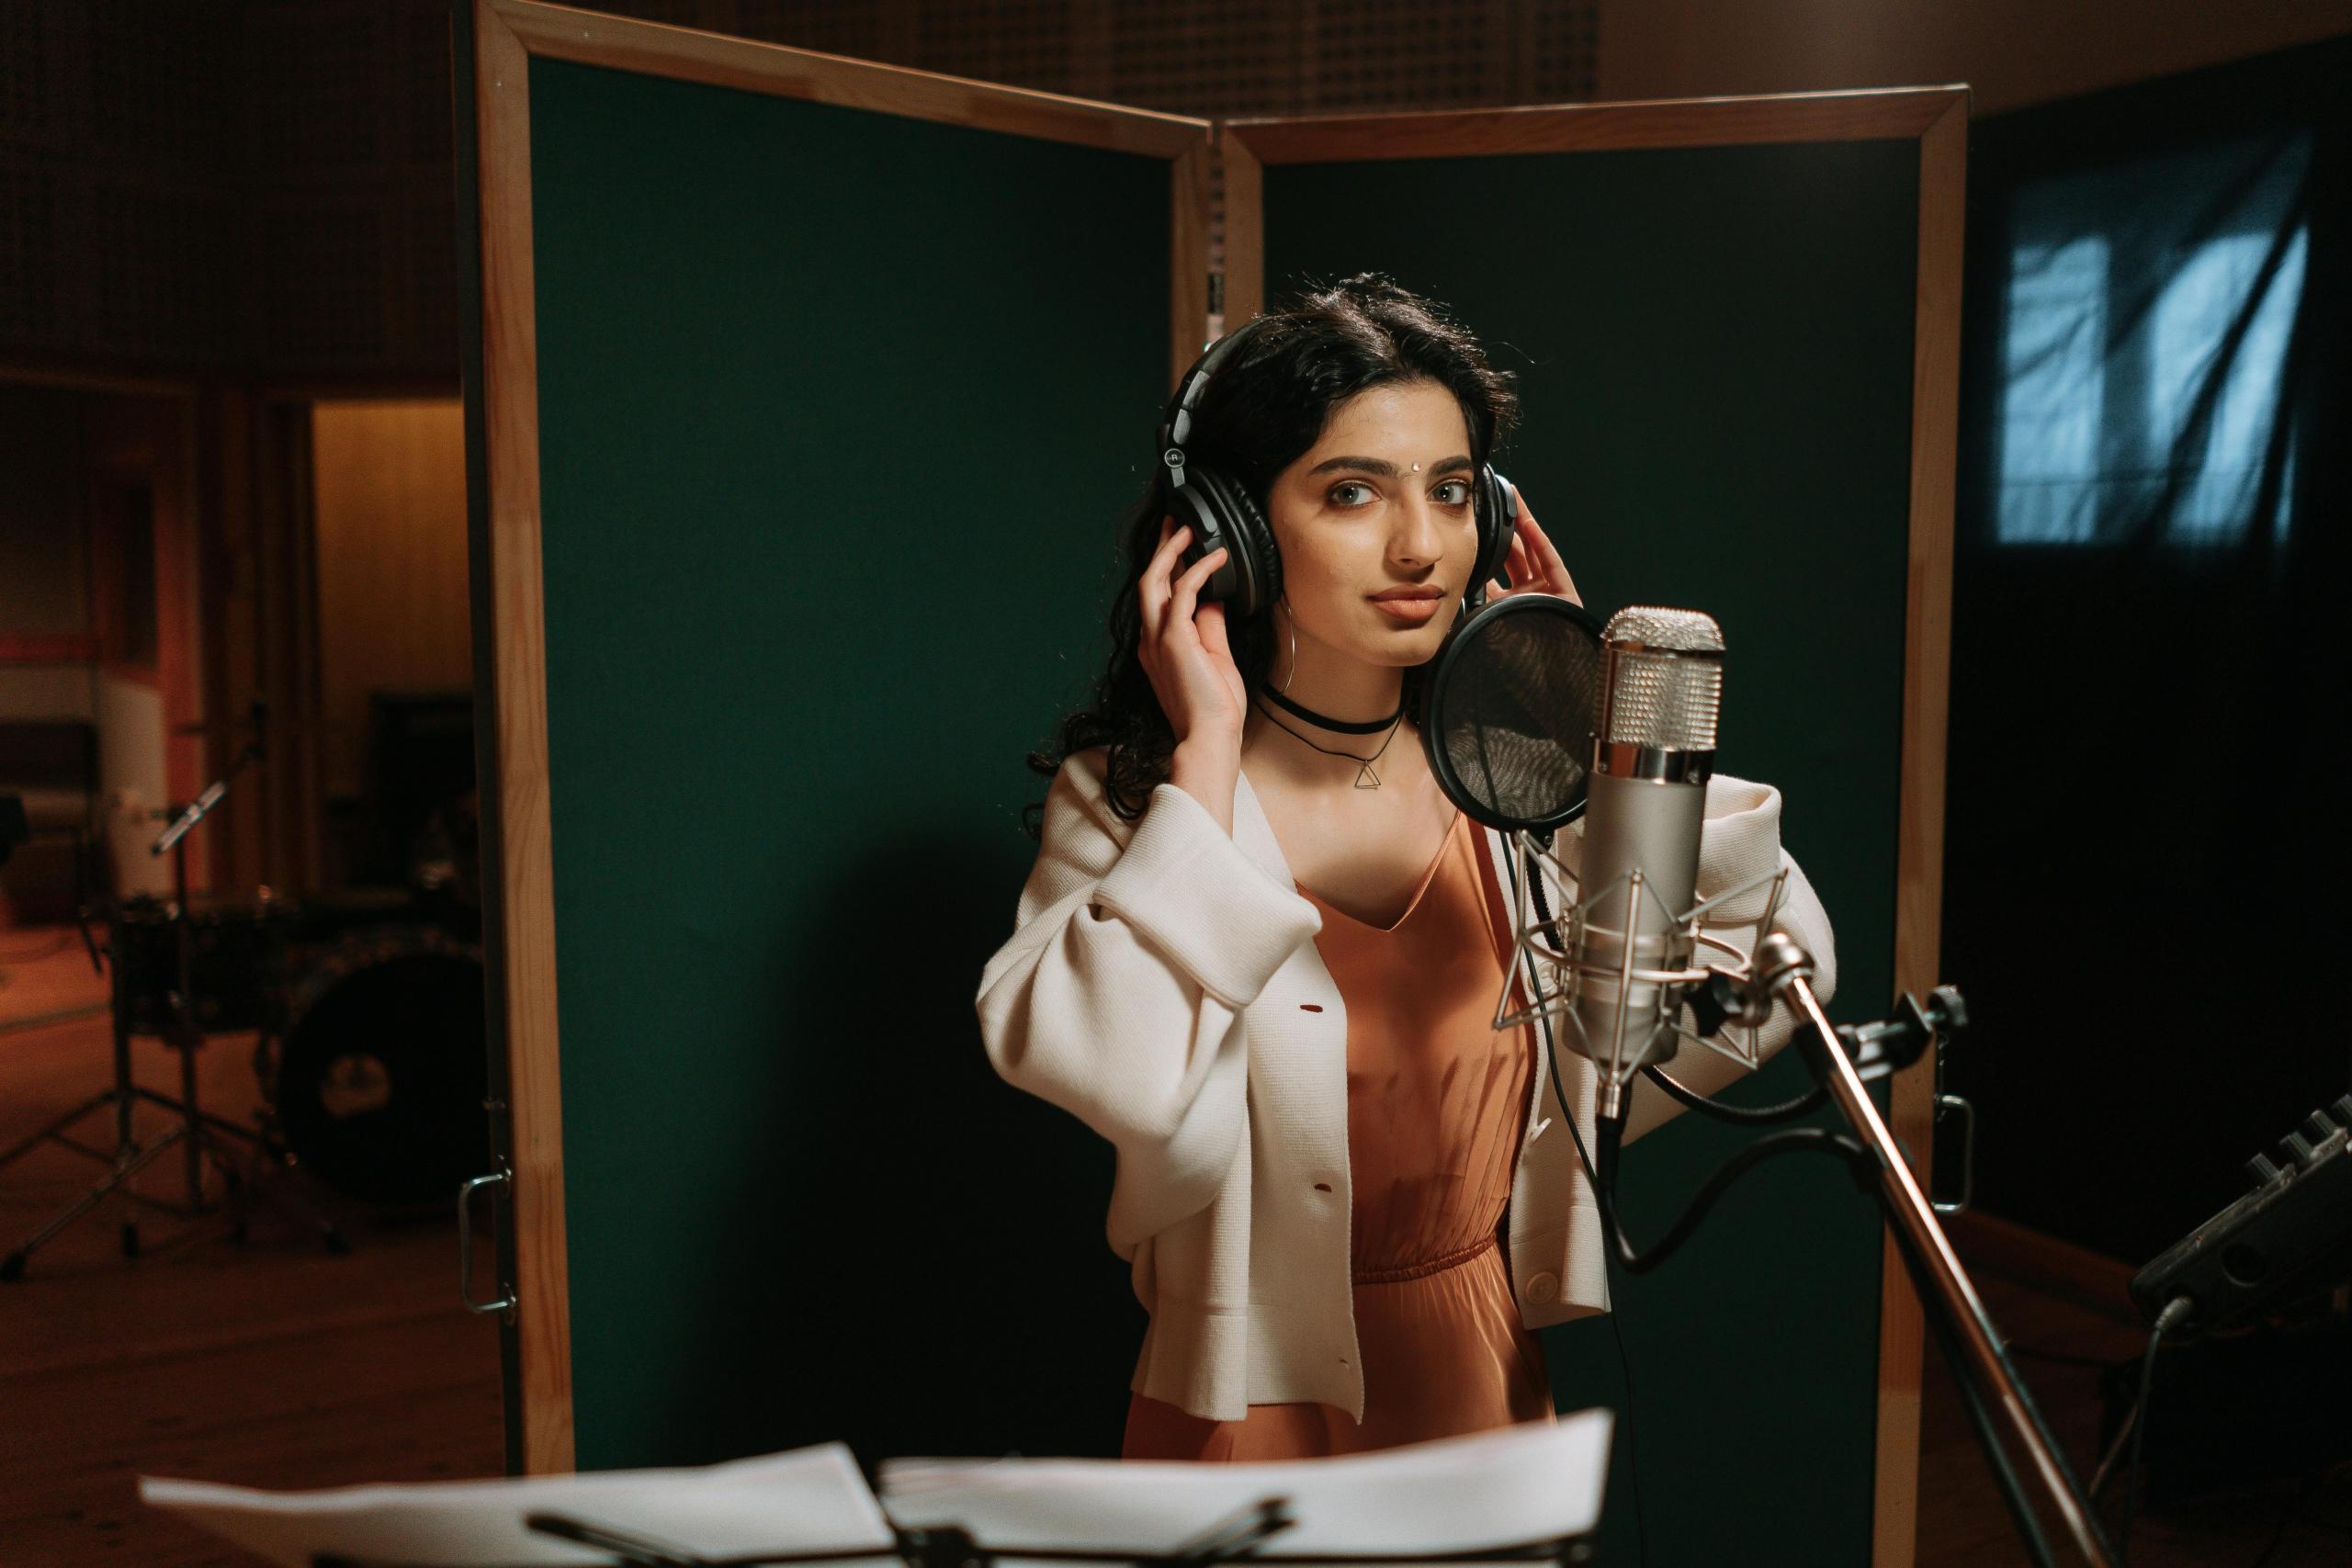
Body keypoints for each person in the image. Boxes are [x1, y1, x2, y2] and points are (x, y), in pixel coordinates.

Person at [975, 275, 1837, 1461]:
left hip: (1478, 1365)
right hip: (1245, 1398)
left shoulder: (1519, 786)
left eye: (1449, 491)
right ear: (1232, 530)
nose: (1420, 546)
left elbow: (1766, 978)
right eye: (1349, 493)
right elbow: (1109, 1070)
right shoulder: (1137, 810)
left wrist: (1595, 735)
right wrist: (1209, 759)